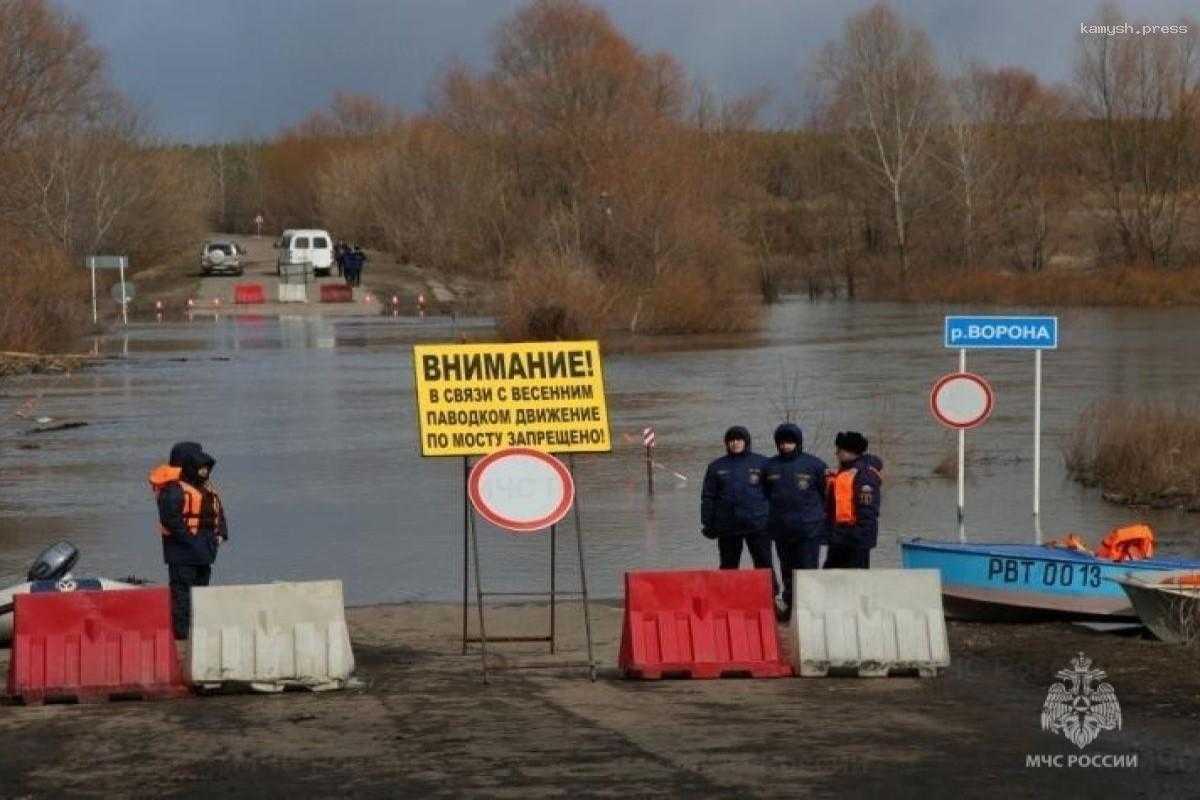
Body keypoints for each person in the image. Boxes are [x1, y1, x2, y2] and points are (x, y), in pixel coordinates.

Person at [150, 444, 229, 638]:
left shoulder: (206, 488)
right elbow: (170, 519)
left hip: (204, 553)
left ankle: (197, 633)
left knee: (200, 596)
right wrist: (191, 540)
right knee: (182, 597)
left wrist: (221, 535)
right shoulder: (173, 489)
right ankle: (182, 637)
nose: (203, 468)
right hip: (183, 554)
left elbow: (219, 513)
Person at [762, 423, 828, 620]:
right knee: (787, 571)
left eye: (789, 442)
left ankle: (810, 611)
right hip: (781, 530)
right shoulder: (769, 467)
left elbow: (826, 496)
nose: (785, 446)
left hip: (809, 530)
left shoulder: (815, 465)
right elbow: (764, 496)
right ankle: (790, 608)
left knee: (808, 571)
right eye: (782, 443)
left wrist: (822, 525)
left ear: (797, 443)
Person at [700, 426, 775, 592]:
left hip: (758, 524)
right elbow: (708, 497)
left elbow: (774, 494)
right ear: (727, 443)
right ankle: (726, 596)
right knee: (728, 565)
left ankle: (771, 596)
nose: (735, 443)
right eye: (731, 440)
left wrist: (773, 519)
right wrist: (708, 522)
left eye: (739, 440)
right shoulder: (716, 467)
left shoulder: (763, 463)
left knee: (764, 563)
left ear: (746, 442)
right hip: (728, 526)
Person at [823, 431, 882, 569]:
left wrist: (858, 536)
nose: (836, 454)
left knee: (854, 577)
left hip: (855, 540)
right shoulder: (844, 472)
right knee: (830, 575)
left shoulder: (864, 475)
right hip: (840, 537)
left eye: (839, 450)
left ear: (849, 452)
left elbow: (867, 509)